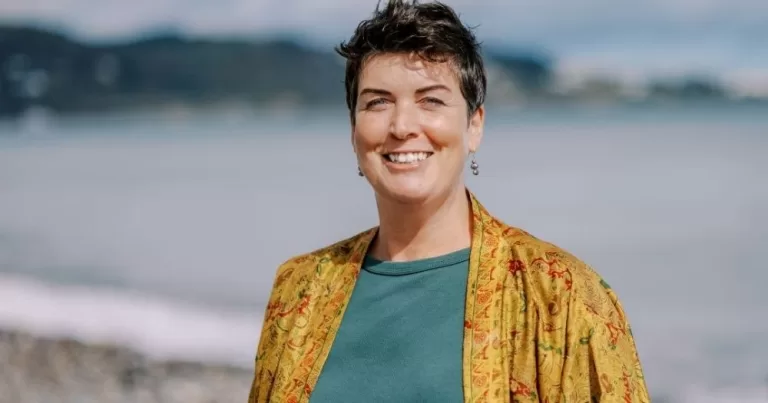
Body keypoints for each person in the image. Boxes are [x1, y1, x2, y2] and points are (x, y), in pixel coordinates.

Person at [248, 0, 650, 402]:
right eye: (377, 102)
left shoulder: (559, 294)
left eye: (431, 100)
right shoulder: (301, 290)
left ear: (474, 126)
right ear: (354, 130)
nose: (402, 125)